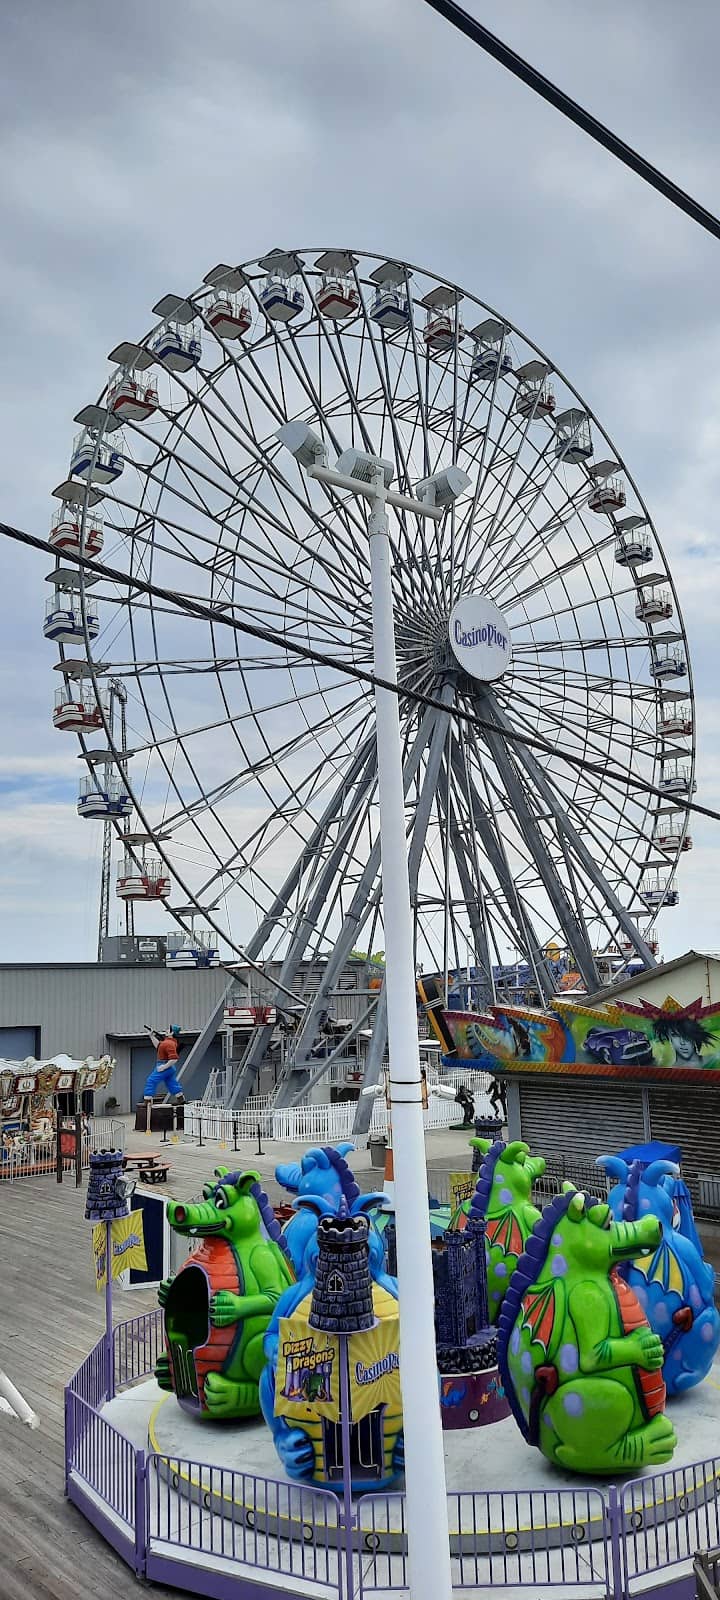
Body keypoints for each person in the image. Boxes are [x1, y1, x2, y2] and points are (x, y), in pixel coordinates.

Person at [142, 1025, 184, 1101]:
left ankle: (147, 1100)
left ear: (172, 1033)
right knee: (171, 1083)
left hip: (164, 1065)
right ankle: (180, 1098)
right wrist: (151, 1036)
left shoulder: (168, 1043)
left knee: (151, 1080)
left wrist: (163, 1067)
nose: (166, 1030)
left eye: (168, 1029)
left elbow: (174, 1058)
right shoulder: (168, 1042)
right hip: (169, 1067)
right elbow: (158, 1046)